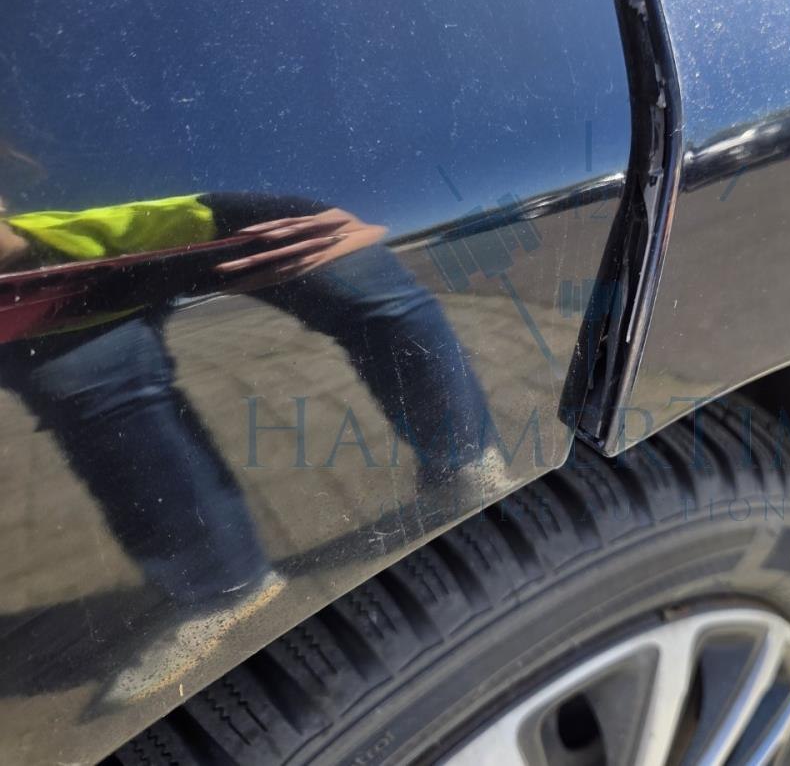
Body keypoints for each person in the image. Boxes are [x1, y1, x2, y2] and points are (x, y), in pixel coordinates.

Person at [0, 148, 491, 703]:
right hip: (49, 299)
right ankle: (223, 590)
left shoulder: (118, 214)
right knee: (97, 405)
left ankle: (466, 464)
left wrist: (347, 227)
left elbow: (313, 231)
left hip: (223, 218)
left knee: (374, 298)